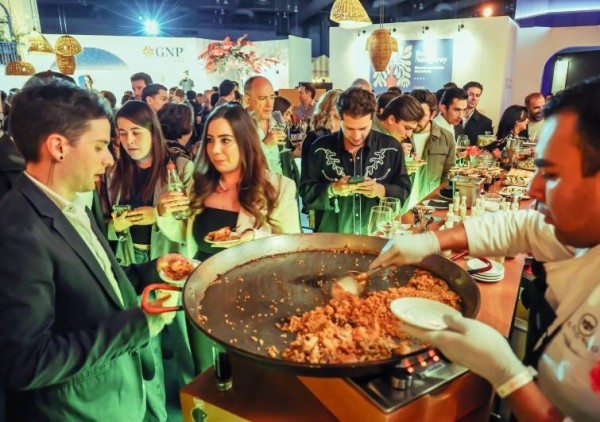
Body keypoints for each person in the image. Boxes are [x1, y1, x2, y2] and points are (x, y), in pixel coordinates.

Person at [371, 77, 600, 422]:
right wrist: (431, 241)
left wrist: (507, 375)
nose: (534, 190)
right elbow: (520, 226)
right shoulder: (578, 235)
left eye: (552, 175)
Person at [0, 79, 179, 421]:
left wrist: (151, 270)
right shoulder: (18, 230)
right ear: (58, 147)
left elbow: (95, 281)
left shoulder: (70, 202)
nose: (110, 159)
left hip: (119, 392)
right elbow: (25, 362)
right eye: (99, 146)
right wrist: (138, 326)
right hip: (83, 409)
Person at [156, 103, 300, 370]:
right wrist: (164, 212)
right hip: (201, 290)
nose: (215, 150)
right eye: (210, 140)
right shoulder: (199, 184)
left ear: (245, 142)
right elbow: (184, 233)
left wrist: (251, 237)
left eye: (225, 140)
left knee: (250, 370)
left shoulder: (278, 187)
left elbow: (291, 250)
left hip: (252, 294)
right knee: (207, 369)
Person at [300, 87, 411, 235]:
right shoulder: (320, 148)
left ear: (372, 119)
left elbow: (404, 190)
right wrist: (332, 189)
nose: (357, 136)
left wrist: (381, 190)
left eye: (363, 128)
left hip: (376, 236)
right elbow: (306, 194)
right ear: (339, 119)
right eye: (350, 128)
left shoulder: (391, 147)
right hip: (332, 238)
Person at [244, 76, 300, 189]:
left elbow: (280, 158)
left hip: (282, 189)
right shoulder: (241, 126)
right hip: (258, 191)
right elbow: (241, 164)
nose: (269, 104)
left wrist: (294, 154)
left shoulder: (277, 121)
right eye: (262, 98)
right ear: (248, 100)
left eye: (272, 97)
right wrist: (265, 145)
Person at [405, 89, 455, 208]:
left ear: (432, 115)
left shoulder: (446, 138)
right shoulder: (398, 135)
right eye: (412, 113)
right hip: (401, 205)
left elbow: (448, 174)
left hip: (429, 204)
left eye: (421, 115)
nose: (415, 119)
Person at [462, 81, 493, 146]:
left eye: (477, 95)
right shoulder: (452, 116)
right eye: (471, 95)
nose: (474, 98)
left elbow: (487, 148)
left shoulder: (486, 123)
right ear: (464, 95)